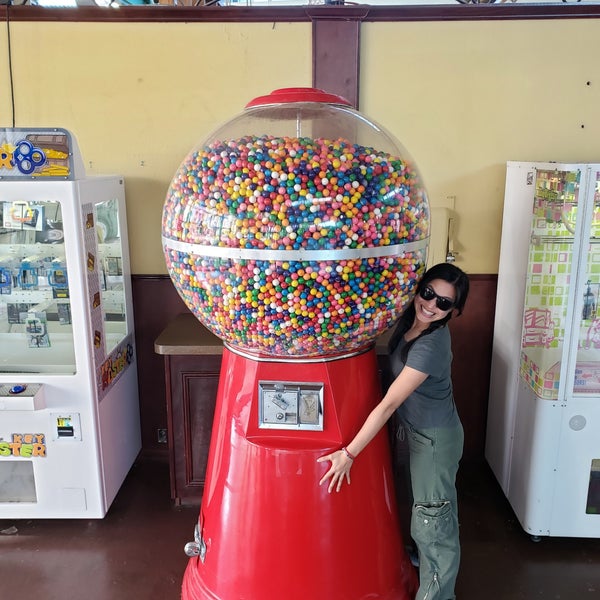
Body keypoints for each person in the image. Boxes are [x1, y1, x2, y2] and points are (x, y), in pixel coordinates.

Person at [317, 262, 470, 600]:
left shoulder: (431, 344)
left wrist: (348, 453)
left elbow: (388, 404)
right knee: (430, 509)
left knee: (433, 521)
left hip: (435, 441)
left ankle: (438, 592)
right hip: (420, 434)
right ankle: (423, 557)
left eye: (443, 303)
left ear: (454, 311)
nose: (431, 305)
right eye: (428, 293)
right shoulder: (410, 321)